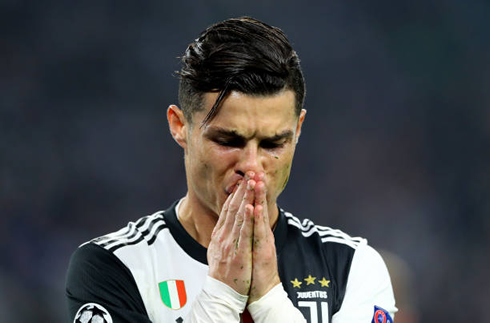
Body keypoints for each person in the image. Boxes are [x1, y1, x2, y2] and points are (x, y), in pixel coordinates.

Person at [66, 17, 397, 323]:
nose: (252, 167)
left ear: (298, 130)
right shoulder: (115, 268)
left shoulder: (351, 267)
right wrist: (223, 294)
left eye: (272, 144)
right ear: (179, 125)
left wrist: (268, 298)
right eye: (228, 140)